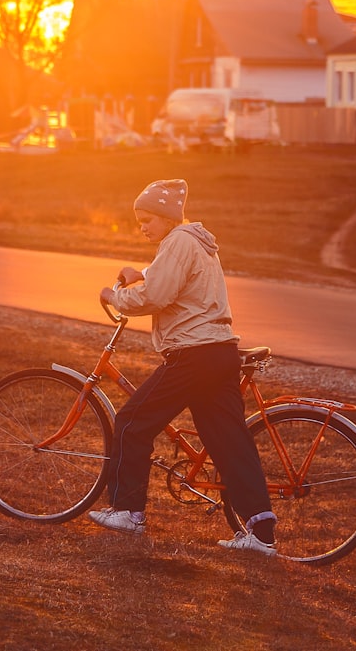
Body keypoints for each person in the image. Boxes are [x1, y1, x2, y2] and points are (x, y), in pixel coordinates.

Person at [89, 178, 278, 556]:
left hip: (193, 354)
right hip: (219, 352)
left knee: (131, 422)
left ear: (166, 217)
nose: (142, 226)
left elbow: (157, 295)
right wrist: (143, 272)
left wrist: (116, 296)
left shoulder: (177, 241)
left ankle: (128, 511)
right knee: (229, 443)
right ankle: (261, 532)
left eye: (147, 219)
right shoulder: (195, 242)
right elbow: (174, 278)